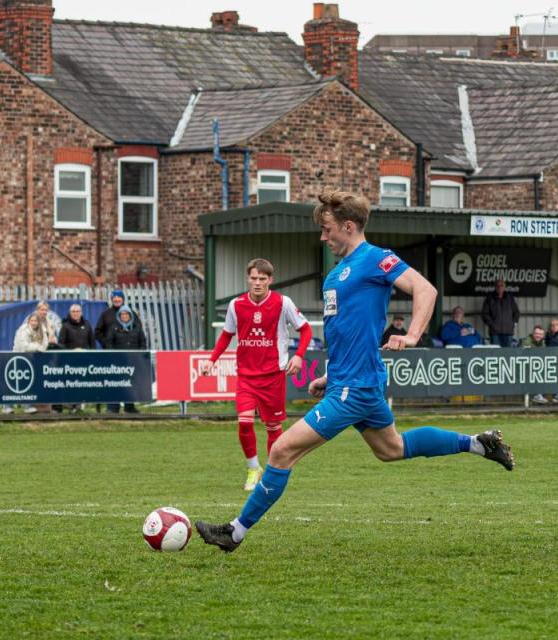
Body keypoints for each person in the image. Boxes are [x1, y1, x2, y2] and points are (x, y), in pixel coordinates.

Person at [195, 190, 514, 553]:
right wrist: (330, 375)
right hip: (348, 381)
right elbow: (349, 333)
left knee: (281, 450)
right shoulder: (335, 276)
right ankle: (477, 444)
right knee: (392, 448)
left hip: (357, 387)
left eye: (327, 229)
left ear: (348, 226)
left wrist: (411, 335)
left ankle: (234, 533)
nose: (322, 236)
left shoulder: (376, 259)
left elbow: (425, 289)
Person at [202, 258, 313, 491]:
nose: (257, 283)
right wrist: (212, 360)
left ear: (270, 280)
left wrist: (299, 355)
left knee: (273, 428)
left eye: (262, 279)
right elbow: (226, 335)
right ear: (248, 278)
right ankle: (253, 468)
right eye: (253, 278)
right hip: (246, 376)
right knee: (244, 422)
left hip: (273, 376)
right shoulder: (236, 305)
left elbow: (305, 330)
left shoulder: (283, 303)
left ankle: (273, 472)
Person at [4, 314, 49, 414]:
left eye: (35, 321)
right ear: (28, 321)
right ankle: (7, 407)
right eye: (32, 321)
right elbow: (24, 347)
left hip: (31, 360)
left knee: (28, 383)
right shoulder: (23, 330)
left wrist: (39, 347)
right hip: (18, 359)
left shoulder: (42, 330)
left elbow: (45, 344)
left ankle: (27, 407)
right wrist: (37, 347)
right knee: (14, 384)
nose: (34, 323)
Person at [106, 305, 147, 415]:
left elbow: (143, 343)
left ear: (130, 316)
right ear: (119, 316)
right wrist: (114, 355)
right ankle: (113, 407)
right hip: (118, 362)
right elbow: (109, 343)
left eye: (126, 314)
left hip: (133, 362)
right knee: (116, 384)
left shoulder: (137, 328)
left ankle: (129, 407)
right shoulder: (113, 328)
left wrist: (139, 354)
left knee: (130, 384)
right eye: (122, 314)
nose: (124, 316)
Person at [58, 304, 95, 413]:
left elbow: (92, 343)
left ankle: (78, 406)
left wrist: (92, 355)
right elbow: (61, 344)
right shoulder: (65, 326)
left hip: (84, 360)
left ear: (81, 312)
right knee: (71, 384)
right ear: (70, 313)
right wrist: (70, 353)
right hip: (69, 361)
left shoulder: (87, 325)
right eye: (73, 311)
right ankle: (70, 406)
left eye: (78, 311)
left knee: (81, 384)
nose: (75, 313)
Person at [481, 279, 519, 347]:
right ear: (495, 287)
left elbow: (516, 312)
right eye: (498, 286)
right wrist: (492, 325)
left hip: (508, 332)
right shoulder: (489, 298)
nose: (500, 287)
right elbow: (485, 314)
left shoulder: (510, 297)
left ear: (504, 287)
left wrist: (514, 323)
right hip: (495, 333)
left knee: (508, 354)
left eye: (502, 285)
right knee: (496, 354)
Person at [522, 325, 548, 404]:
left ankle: (542, 395)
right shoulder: (527, 341)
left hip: (537, 365)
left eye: (540, 334)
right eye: (536, 333)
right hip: (525, 366)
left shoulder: (543, 342)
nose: (538, 336)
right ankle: (537, 395)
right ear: (533, 333)